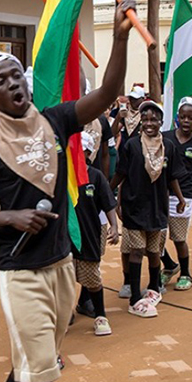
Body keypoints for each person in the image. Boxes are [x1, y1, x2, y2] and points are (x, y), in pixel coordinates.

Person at [0, 0, 135, 382]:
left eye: (17, 74)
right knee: (41, 371)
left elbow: (107, 93)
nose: (14, 84)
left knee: (41, 359)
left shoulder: (56, 120)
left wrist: (120, 37)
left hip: (60, 262)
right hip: (19, 271)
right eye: (1, 81)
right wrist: (9, 217)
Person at [112, 100, 185, 318]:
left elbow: (172, 177)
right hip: (134, 205)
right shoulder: (132, 145)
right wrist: (109, 193)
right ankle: (135, 296)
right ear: (140, 122)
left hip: (158, 207)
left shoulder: (169, 147)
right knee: (136, 250)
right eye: (145, 119)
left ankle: (153, 287)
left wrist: (180, 199)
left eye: (154, 119)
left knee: (155, 251)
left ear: (161, 122)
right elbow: (121, 173)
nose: (149, 123)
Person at [71, 142, 119, 337]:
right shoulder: (62, 176)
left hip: (88, 235)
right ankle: (63, 315)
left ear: (89, 152)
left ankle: (100, 316)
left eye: (80, 149)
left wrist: (114, 226)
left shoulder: (96, 176)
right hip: (64, 238)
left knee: (92, 278)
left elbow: (108, 203)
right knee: (62, 281)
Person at [160, 98, 192, 292]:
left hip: (183, 196)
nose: (186, 120)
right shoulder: (165, 137)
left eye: (190, 117)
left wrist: (191, 198)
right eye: (183, 117)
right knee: (155, 237)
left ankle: (185, 273)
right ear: (177, 118)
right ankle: (169, 265)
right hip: (161, 194)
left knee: (179, 238)